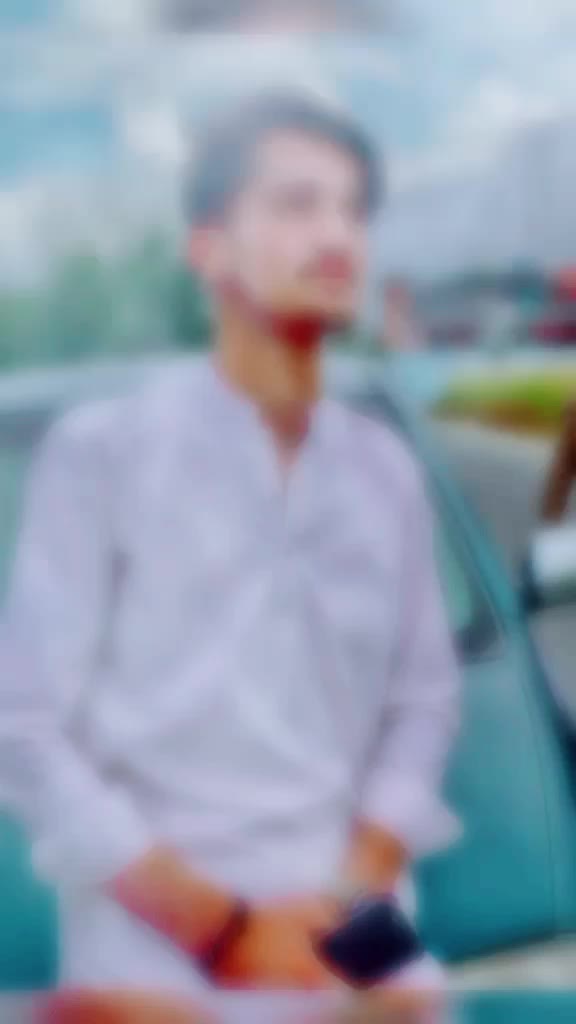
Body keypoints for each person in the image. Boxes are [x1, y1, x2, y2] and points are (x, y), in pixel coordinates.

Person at [0, 92, 460, 1024]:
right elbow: (24, 726)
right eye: (297, 204)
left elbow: (424, 701)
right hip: (158, 944)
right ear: (207, 248)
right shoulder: (104, 455)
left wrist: (348, 894)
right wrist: (224, 930)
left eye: (353, 210)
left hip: (353, 926)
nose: (336, 235)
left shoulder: (386, 471)